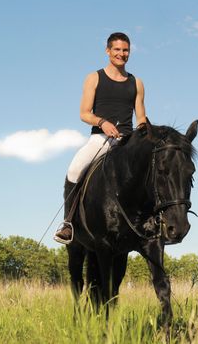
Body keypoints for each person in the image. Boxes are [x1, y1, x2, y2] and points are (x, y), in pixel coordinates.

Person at [54, 32, 147, 244]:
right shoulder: (94, 77)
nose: (121, 54)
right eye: (117, 50)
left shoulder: (137, 83)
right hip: (100, 139)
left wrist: (144, 133)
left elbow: (140, 116)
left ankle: (152, 221)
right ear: (108, 51)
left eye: (125, 50)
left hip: (127, 141)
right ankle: (68, 222)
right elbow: (84, 113)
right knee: (75, 169)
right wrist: (103, 123)